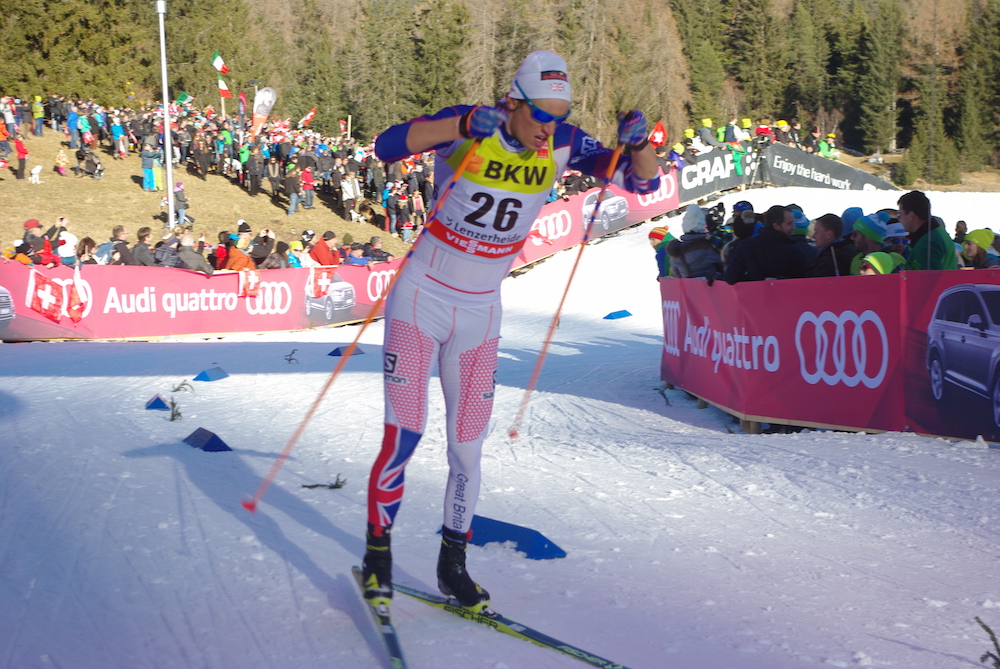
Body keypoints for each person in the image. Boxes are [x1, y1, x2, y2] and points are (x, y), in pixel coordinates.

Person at [360, 50, 659, 616]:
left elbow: (644, 183)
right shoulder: (472, 123)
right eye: (540, 114)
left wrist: (639, 142)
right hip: (421, 297)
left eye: (559, 114)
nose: (549, 127)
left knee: (467, 451)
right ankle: (378, 556)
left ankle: (453, 565)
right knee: (406, 433)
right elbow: (386, 145)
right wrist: (458, 127)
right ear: (513, 102)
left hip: (481, 311)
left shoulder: (565, 141)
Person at [723, 205, 812, 283]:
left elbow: (731, 277)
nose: (794, 227)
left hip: (752, 299)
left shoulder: (746, 246)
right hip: (782, 300)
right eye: (789, 223)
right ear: (776, 225)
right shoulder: (794, 251)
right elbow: (801, 284)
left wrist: (754, 281)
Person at [897, 190, 957, 271]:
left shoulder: (927, 242)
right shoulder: (937, 232)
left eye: (900, 214)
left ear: (911, 216)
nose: (899, 219)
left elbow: (930, 278)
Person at [666, 207, 722, 279]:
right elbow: (723, 266)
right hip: (713, 287)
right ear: (702, 226)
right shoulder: (712, 246)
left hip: (690, 289)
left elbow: (676, 273)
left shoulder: (676, 251)